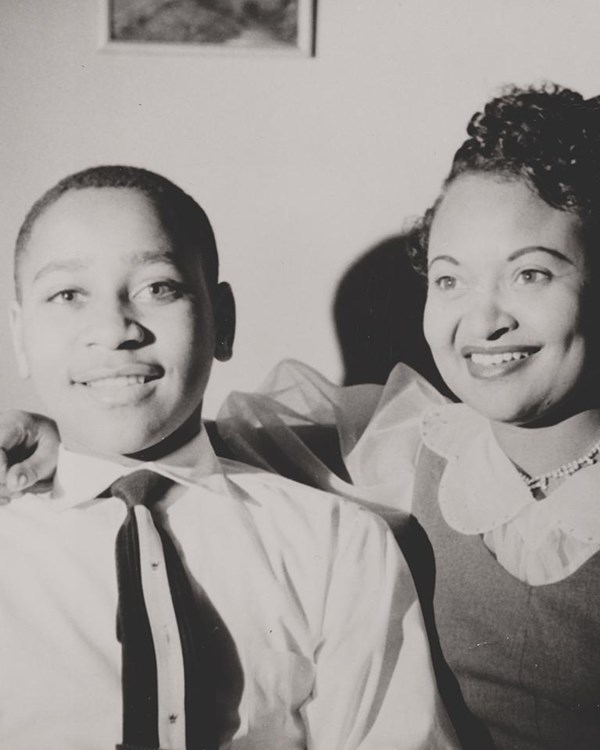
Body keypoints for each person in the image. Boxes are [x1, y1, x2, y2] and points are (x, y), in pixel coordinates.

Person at [5, 82, 599, 748]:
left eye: (533, 275)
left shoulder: (345, 538)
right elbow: (179, 445)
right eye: (449, 279)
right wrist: (69, 436)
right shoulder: (411, 448)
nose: (485, 320)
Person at [0, 165, 458, 749]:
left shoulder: (340, 543)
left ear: (224, 321)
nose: (114, 329)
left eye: (158, 287)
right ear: (19, 336)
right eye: (67, 294)